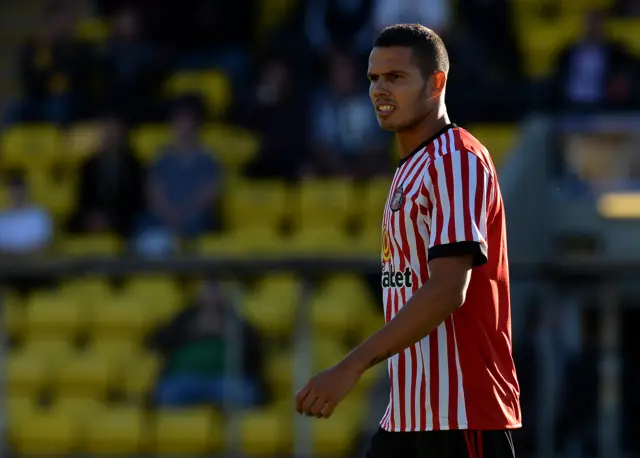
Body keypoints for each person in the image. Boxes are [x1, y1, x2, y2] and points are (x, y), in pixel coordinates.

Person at [294, 24, 521, 458]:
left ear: (436, 83)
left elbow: (448, 289)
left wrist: (351, 365)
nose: (379, 89)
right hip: (409, 416)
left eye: (395, 77)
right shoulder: (409, 167)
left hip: (462, 416)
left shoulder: (456, 159)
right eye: (373, 78)